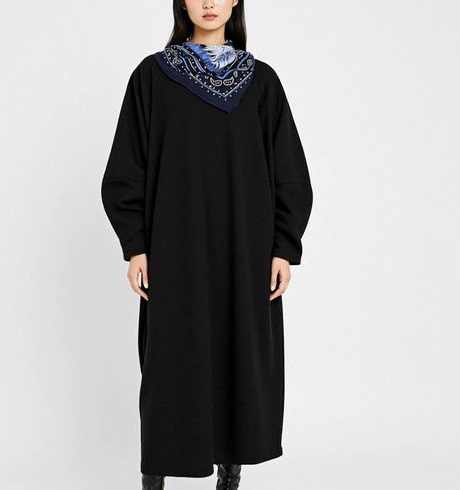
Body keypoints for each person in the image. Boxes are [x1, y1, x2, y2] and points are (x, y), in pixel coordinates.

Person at [100, 0, 313, 488]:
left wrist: (283, 247)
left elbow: (290, 173)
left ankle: (230, 477)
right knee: (170, 366)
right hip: (174, 253)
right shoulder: (152, 77)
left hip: (247, 254)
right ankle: (154, 480)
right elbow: (126, 167)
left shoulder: (262, 82)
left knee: (240, 359)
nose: (210, 3)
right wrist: (136, 245)